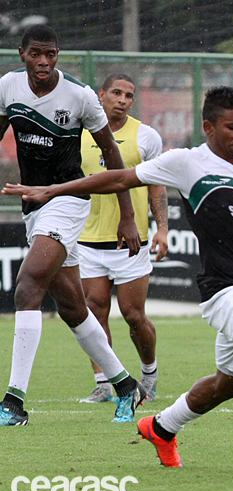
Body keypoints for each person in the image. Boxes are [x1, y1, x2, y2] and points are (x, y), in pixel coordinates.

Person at [5, 86, 233, 476]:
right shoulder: (186, 162)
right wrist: (53, 190)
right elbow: (118, 178)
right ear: (208, 127)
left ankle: (161, 427)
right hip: (224, 290)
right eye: (232, 127)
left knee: (230, 384)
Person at [0, 25, 146, 426]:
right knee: (72, 308)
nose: (43, 62)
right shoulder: (8, 87)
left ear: (58, 55)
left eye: (50, 54)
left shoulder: (80, 96)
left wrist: (127, 216)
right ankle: (126, 386)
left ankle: (13, 403)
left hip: (67, 201)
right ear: (22, 54)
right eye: (35, 54)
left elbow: (112, 157)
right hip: (33, 205)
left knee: (27, 287)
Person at [77, 74, 168, 404]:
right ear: (101, 95)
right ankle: (104, 382)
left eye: (129, 95)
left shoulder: (146, 136)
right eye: (116, 92)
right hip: (87, 240)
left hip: (131, 242)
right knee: (93, 312)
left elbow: (157, 185)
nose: (122, 100)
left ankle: (149, 375)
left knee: (133, 315)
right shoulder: (78, 133)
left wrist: (162, 228)